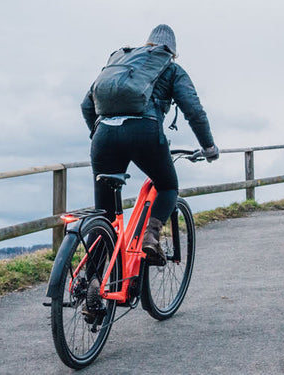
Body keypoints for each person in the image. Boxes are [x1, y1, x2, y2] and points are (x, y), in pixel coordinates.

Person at [81, 24, 218, 265]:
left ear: (147, 44)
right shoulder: (171, 68)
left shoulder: (123, 64)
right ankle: (150, 237)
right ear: (172, 51)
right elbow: (194, 111)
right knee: (167, 186)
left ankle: (90, 286)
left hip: (103, 134)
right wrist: (208, 148)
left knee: (105, 216)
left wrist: (100, 134)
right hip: (143, 132)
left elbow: (86, 104)